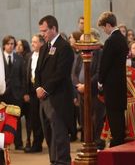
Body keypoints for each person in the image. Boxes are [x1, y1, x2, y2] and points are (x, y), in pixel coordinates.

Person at [35, 15, 75, 164]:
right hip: (44, 100)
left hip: (58, 99)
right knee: (49, 134)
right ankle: (54, 161)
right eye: (41, 31)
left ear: (53, 28)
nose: (42, 34)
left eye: (44, 30)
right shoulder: (44, 47)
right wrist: (38, 87)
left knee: (59, 135)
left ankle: (63, 162)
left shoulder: (64, 47)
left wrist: (45, 89)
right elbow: (37, 71)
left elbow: (61, 73)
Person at [97, 11, 129, 147]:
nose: (104, 31)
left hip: (111, 85)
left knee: (113, 116)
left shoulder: (111, 41)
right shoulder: (122, 38)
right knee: (119, 116)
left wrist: (100, 81)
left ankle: (117, 144)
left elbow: (105, 64)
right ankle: (120, 140)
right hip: (120, 83)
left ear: (108, 25)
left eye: (104, 27)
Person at [74, 29, 105, 150]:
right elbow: (74, 73)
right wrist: (78, 85)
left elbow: (99, 73)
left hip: (94, 92)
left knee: (96, 118)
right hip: (81, 92)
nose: (81, 44)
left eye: (83, 41)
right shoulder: (79, 55)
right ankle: (87, 142)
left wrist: (87, 85)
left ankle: (97, 143)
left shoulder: (100, 53)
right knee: (83, 119)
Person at [1, 35, 25, 150]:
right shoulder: (0, 58)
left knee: (16, 119)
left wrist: (23, 93)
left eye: (12, 44)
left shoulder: (19, 58)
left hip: (16, 94)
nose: (10, 46)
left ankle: (18, 142)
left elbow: (23, 77)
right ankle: (3, 143)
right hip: (3, 93)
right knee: (2, 119)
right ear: (4, 45)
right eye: (8, 44)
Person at [23, 34, 44, 153]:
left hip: (42, 90)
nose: (32, 44)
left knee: (42, 118)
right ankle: (36, 143)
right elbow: (26, 74)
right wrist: (26, 92)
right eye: (32, 41)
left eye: (35, 42)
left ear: (41, 43)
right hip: (31, 91)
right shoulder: (29, 56)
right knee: (33, 118)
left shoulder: (45, 55)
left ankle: (38, 143)